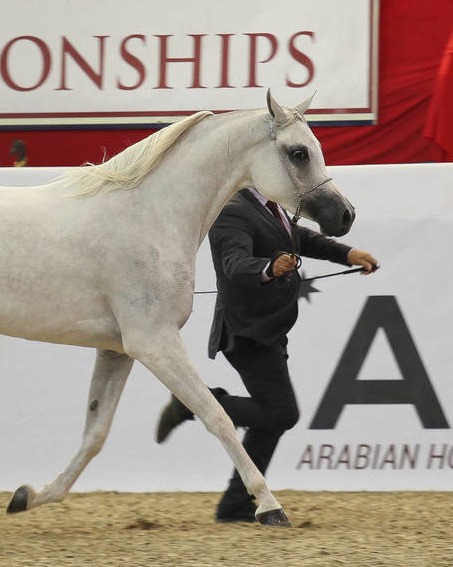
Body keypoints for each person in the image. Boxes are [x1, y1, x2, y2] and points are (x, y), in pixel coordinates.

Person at [155, 187, 378, 522]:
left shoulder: (266, 206)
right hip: (246, 332)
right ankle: (191, 404)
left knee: (268, 418)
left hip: (267, 329)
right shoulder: (231, 209)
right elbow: (234, 264)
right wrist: (268, 268)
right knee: (282, 412)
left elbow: (296, 237)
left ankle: (236, 504)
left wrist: (347, 254)